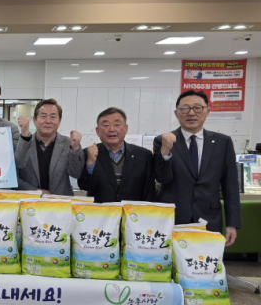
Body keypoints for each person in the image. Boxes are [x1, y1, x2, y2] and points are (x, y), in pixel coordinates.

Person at [153, 90, 240, 245]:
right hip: (173, 218)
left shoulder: (223, 142)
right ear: (176, 113)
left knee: (206, 258)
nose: (191, 113)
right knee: (173, 260)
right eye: (185, 108)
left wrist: (232, 223)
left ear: (207, 111)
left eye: (198, 107)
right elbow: (162, 179)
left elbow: (230, 185)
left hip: (209, 218)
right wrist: (165, 151)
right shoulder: (163, 140)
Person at [78, 107, 155, 202]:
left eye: (117, 124)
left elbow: (149, 191)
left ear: (126, 128)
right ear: (97, 131)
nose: (111, 129)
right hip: (100, 210)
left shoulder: (144, 155)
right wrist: (90, 163)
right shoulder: (87, 153)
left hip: (133, 211)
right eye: (106, 125)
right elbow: (84, 186)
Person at [15, 99, 84, 195]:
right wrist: (35, 191)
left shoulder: (67, 143)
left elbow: (76, 173)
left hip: (60, 201)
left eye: (53, 117)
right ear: (34, 120)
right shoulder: (23, 142)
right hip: (30, 200)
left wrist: (75, 148)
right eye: (43, 116)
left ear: (59, 121)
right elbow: (16, 173)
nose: (48, 121)